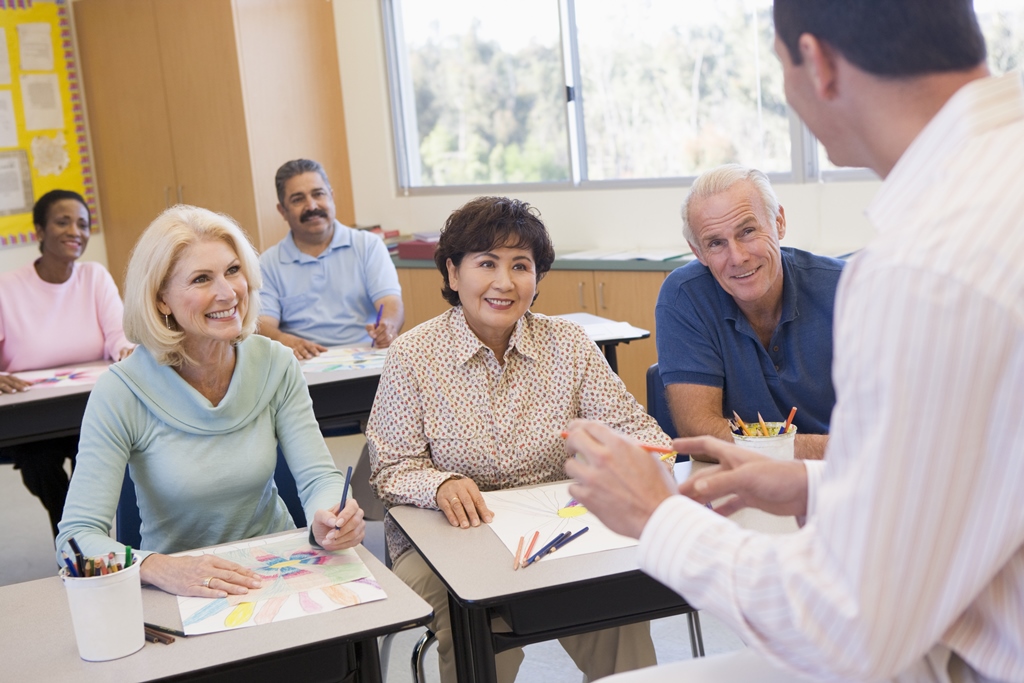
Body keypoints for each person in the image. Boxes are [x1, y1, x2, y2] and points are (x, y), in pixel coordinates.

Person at [565, 1, 1024, 682]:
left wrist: (656, 515)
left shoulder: (921, 267)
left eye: (780, 69)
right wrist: (815, 477)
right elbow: (981, 467)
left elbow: (844, 624)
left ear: (820, 63)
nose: (735, 256)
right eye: (713, 244)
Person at [366, 196, 667, 683]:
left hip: (555, 533)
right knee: (473, 621)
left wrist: (627, 458)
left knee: (617, 605)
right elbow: (390, 471)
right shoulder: (414, 355)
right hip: (448, 536)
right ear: (452, 273)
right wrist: (439, 484)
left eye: (520, 266)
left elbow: (642, 435)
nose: (505, 283)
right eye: (486, 263)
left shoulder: (568, 345)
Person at [56, 205, 365, 598]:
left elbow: (319, 477)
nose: (228, 292)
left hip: (278, 566)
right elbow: (75, 542)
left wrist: (330, 516)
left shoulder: (275, 363)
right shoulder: (121, 391)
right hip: (179, 586)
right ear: (161, 300)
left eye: (233, 271)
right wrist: (160, 568)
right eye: (202, 279)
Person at [656, 164, 843, 461]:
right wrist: (831, 449)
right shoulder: (684, 297)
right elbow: (699, 432)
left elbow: (890, 423)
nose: (738, 257)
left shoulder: (846, 288)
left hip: (842, 480)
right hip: (743, 481)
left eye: (747, 231)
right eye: (716, 243)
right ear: (698, 252)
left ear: (779, 222)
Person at [0, 189, 133, 537]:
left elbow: (117, 334)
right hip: (30, 412)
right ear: (39, 231)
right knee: (39, 464)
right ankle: (75, 534)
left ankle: (77, 540)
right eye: (63, 222)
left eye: (83, 224)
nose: (75, 230)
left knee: (99, 459)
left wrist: (126, 350)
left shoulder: (94, 276)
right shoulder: (6, 288)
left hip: (90, 404)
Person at [258, 158, 404, 359]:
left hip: (366, 358)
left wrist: (388, 326)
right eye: (298, 199)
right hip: (302, 365)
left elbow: (390, 301)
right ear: (282, 211)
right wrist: (284, 341)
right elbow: (263, 323)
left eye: (318, 194)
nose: (311, 206)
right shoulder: (268, 263)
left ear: (332, 197)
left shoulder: (368, 245)